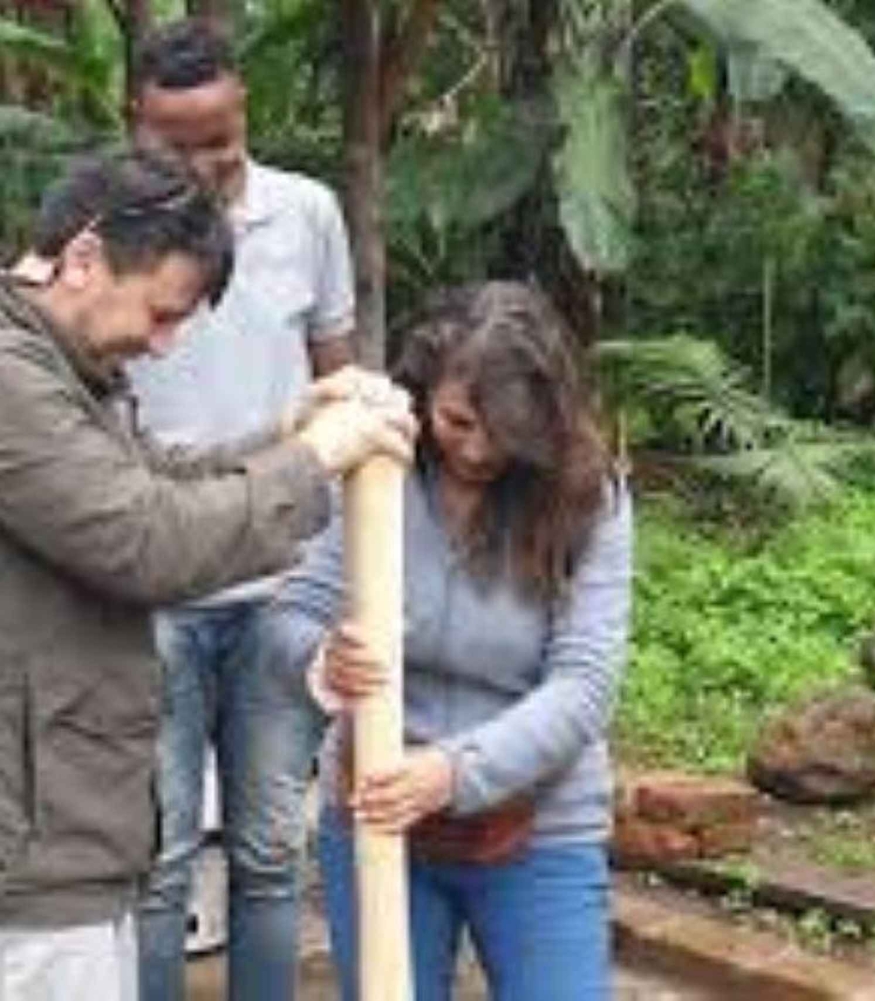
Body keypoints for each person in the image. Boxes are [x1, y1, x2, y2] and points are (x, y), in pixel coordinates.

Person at [0, 149, 410, 1001]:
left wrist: (287, 432)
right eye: (160, 313)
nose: (163, 344)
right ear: (83, 258)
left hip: (66, 827)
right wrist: (310, 461)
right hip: (30, 851)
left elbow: (156, 481)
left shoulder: (63, 372)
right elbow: (146, 537)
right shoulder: (11, 378)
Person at [269, 281, 631, 1001]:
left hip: (540, 827)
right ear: (425, 389)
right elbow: (289, 614)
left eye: (506, 433)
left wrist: (454, 772)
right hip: (376, 819)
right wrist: (322, 659)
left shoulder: (588, 498)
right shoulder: (373, 468)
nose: (477, 448)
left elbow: (584, 687)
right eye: (458, 421)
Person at [118, 19, 360, 1000]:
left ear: (246, 111)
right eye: (174, 146)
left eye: (219, 139)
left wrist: (345, 566)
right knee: (159, 858)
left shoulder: (309, 214)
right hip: (154, 588)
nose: (203, 166)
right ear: (135, 125)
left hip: (282, 590)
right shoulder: (101, 239)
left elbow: (338, 386)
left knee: (268, 852)